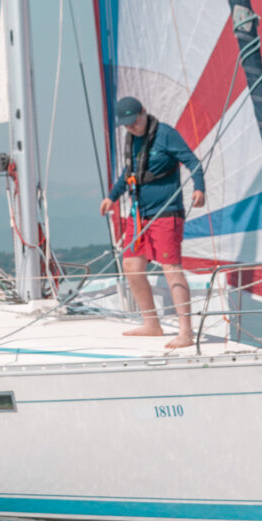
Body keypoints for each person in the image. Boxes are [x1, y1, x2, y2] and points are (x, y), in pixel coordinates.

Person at [99, 95, 205, 349]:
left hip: (166, 213)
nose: (131, 128)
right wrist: (112, 197)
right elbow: (129, 174)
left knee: (171, 268)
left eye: (134, 122)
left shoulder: (166, 135)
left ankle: (185, 332)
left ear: (144, 112)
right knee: (131, 266)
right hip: (139, 215)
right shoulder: (132, 140)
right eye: (126, 125)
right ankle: (151, 323)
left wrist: (199, 188)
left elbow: (193, 162)